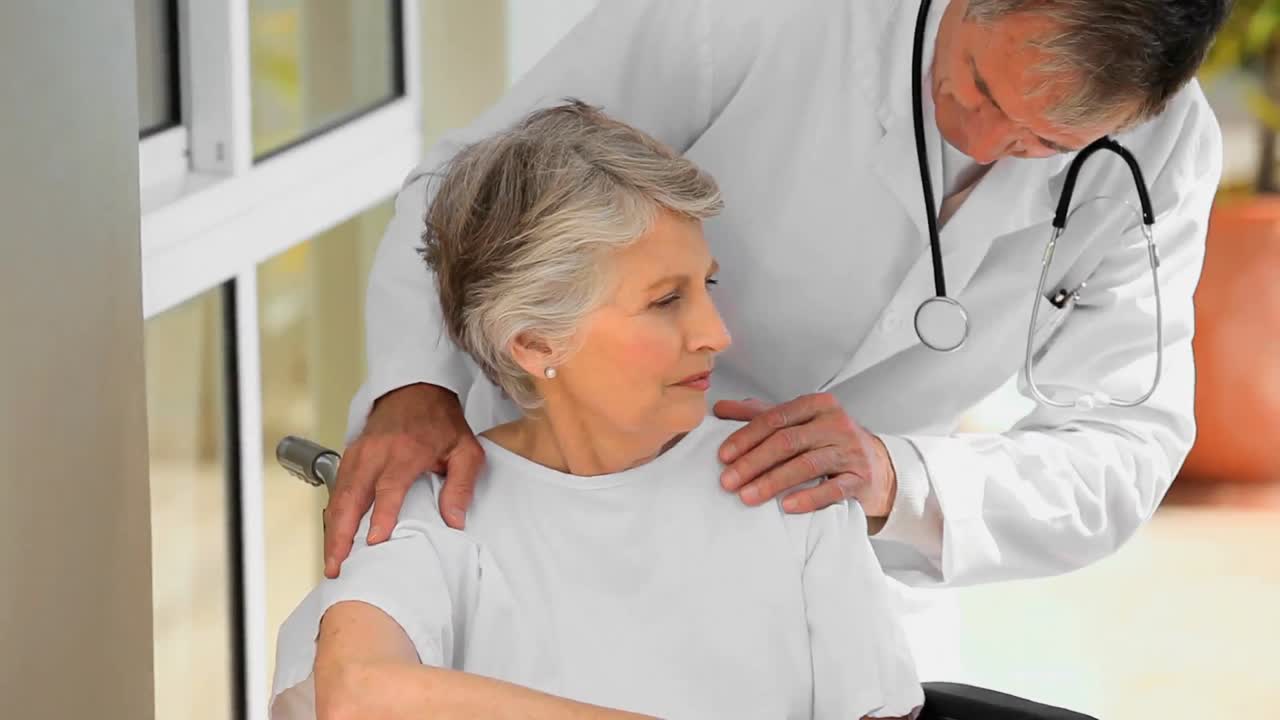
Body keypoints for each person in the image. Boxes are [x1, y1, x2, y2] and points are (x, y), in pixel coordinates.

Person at [327, 0, 1229, 674]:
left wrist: (893, 477)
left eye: (1046, 140)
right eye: (980, 84)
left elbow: (1121, 445)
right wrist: (416, 384)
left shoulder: (1163, 158)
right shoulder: (758, 14)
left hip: (826, 516)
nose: (982, 139)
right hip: (565, 458)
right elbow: (476, 188)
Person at [270, 102, 923, 720]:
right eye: (666, 300)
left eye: (707, 285)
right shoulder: (438, 512)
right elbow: (357, 694)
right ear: (533, 341)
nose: (716, 334)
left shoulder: (782, 483)